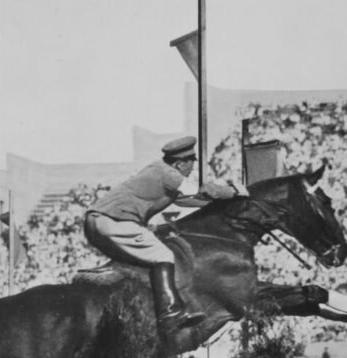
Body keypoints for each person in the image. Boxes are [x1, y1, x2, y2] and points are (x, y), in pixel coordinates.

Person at [83, 135, 236, 335]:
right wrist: (236, 192)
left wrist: (212, 205)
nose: (192, 169)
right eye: (190, 164)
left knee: (143, 258)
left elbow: (185, 201)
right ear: (180, 163)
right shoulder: (169, 174)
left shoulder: (159, 171)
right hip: (113, 221)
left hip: (99, 221)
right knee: (163, 255)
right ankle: (169, 313)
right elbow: (204, 191)